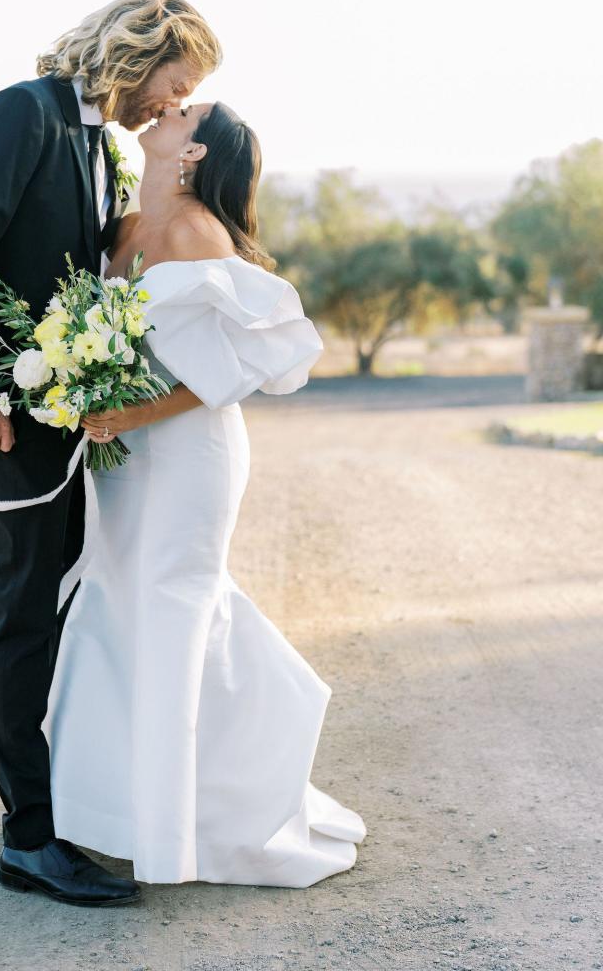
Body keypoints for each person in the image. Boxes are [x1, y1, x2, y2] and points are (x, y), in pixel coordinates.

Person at [0, 0, 221, 906]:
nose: (172, 103)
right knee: (30, 597)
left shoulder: (96, 140)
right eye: (176, 83)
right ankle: (28, 838)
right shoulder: (20, 113)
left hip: (54, 407)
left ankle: (58, 804)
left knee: (63, 591)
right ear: (141, 53)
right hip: (2, 403)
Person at [41, 100, 368, 885]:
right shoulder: (120, 229)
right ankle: (113, 810)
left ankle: (193, 827)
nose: (167, 106)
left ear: (190, 154)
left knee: (176, 607)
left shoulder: (196, 234)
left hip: (189, 449)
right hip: (122, 451)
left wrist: (136, 410)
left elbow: (232, 370)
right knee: (119, 604)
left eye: (186, 110)